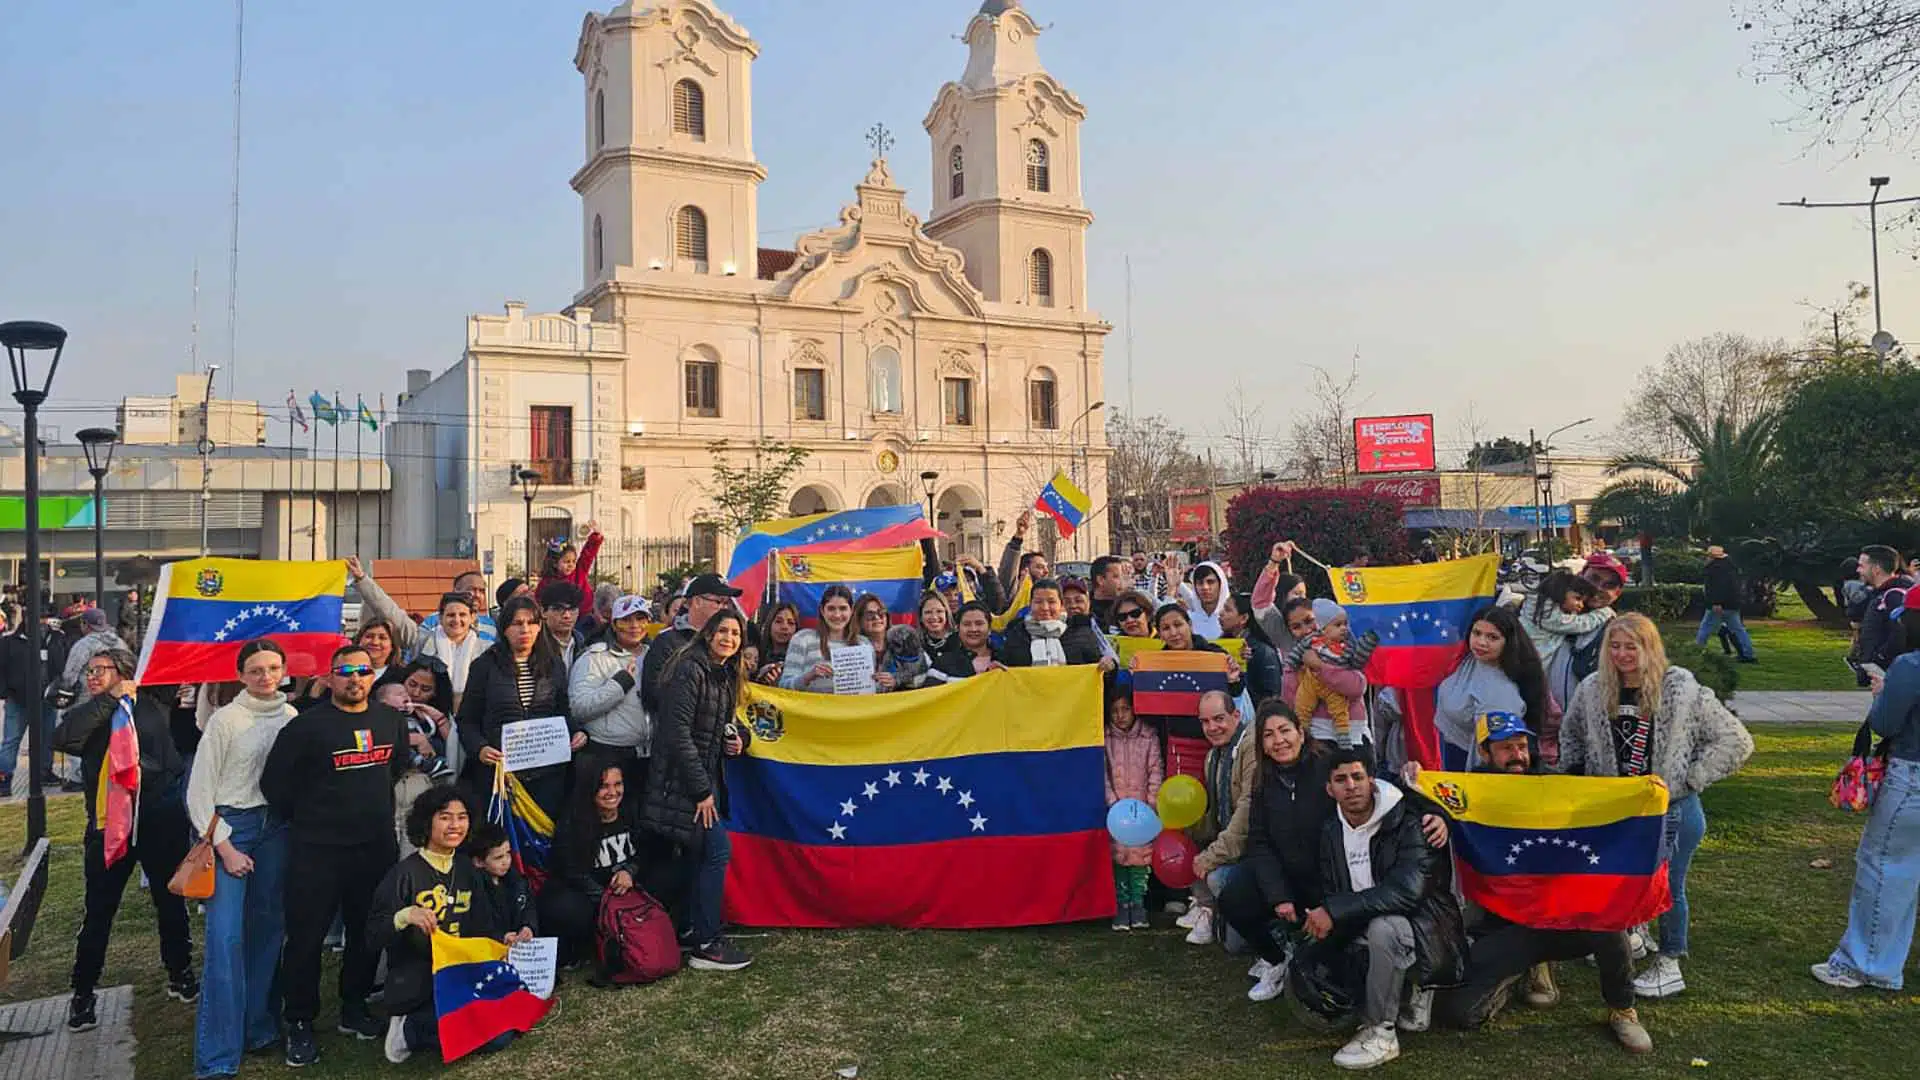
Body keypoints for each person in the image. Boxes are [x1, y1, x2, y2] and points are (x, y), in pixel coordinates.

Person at [1421, 711, 1651, 1053]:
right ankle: (1517, 974)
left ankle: (1622, 1009)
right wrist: (1428, 803)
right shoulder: (1471, 794)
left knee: (1610, 926)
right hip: (1507, 925)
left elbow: (1599, 804)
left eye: (1521, 746)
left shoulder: (1552, 786)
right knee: (1458, 1014)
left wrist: (1644, 792)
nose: (1517, 755)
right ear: (1485, 754)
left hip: (1564, 918)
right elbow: (1431, 801)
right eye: (1506, 748)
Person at [1557, 613, 1754, 1000]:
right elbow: (1571, 737)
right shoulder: (1594, 688)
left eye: (1632, 646)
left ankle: (1670, 961)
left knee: (1669, 887)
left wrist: (1689, 779)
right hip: (1617, 809)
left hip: (1671, 809)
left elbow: (1736, 742)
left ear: (1650, 647)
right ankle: (1633, 936)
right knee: (1623, 879)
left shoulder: (1680, 688)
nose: (1623, 654)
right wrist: (1575, 782)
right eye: (1615, 646)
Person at [259, 643, 412, 1066]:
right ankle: (301, 1021)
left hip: (374, 845)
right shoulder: (305, 727)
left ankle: (354, 1007)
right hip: (318, 849)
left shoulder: (389, 719)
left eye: (362, 671)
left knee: (366, 933)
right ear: (329, 677)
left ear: (372, 677)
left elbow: (395, 766)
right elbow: (276, 786)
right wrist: (312, 818)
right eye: (345, 671)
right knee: (307, 938)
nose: (354, 679)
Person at [56, 648, 196, 1035]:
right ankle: (83, 993)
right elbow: (65, 737)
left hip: (156, 821)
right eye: (89, 671)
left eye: (100, 670)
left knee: (170, 900)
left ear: (124, 671)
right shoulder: (91, 712)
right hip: (108, 827)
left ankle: (180, 971)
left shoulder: (155, 704)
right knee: (99, 911)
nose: (91, 676)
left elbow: (173, 754)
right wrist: (108, 699)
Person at [1299, 749, 1466, 1071]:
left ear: (1372, 781)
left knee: (1384, 927)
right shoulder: (1330, 831)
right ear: (1329, 789)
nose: (1351, 786)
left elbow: (1405, 894)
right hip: (1368, 922)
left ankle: (1382, 1031)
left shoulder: (1412, 822)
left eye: (1358, 777)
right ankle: (1408, 990)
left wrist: (1334, 911)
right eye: (1341, 780)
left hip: (1425, 926)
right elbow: (1335, 892)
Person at [187, 640, 298, 1077]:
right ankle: (216, 1058)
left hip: (277, 829)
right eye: (256, 670)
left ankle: (257, 1027)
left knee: (268, 931)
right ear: (241, 675)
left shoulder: (290, 717)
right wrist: (225, 846)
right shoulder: (225, 720)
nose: (265, 676)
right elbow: (199, 792)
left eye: (273, 668)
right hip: (231, 827)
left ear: (285, 670)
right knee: (225, 939)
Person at [367, 787, 527, 1064]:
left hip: (461, 973)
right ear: (427, 821)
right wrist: (405, 916)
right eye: (445, 817)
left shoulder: (467, 869)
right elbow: (372, 936)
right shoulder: (404, 874)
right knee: (490, 1034)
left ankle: (427, 1024)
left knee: (508, 1025)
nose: (455, 825)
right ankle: (408, 1028)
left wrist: (504, 939)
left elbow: (483, 927)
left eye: (462, 817)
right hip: (418, 980)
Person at [643, 607, 754, 971]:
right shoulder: (691, 668)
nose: (729, 639)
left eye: (735, 634)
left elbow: (728, 723)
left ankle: (693, 928)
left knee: (699, 856)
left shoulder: (723, 674)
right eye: (723, 631)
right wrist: (701, 791)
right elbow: (677, 733)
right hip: (685, 784)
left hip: (703, 780)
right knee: (717, 852)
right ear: (708, 634)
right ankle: (707, 944)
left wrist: (740, 739)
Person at [1814, 640, 1920, 990]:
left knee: (1885, 867)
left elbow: (1886, 722)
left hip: (1912, 775)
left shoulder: (1911, 665)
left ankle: (1866, 964)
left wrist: (1881, 693)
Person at [457, 596, 581, 822]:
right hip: (500, 777)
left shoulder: (553, 665)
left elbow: (563, 711)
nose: (525, 629)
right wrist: (480, 748)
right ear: (504, 628)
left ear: (539, 626)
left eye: (531, 622)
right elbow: (466, 720)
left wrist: (577, 732)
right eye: (517, 623)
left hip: (547, 774)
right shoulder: (484, 666)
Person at [540, 760, 643, 973]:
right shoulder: (573, 820)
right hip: (592, 894)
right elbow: (571, 871)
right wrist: (606, 900)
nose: (612, 792)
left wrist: (630, 871)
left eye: (618, 784)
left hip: (628, 887)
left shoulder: (632, 809)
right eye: (604, 786)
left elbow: (647, 852)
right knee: (562, 906)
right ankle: (581, 948)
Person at [349, 558, 488, 710]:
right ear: (440, 618)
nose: (456, 620)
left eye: (462, 615)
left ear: (472, 617)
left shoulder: (486, 649)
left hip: (472, 715)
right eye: (450, 615)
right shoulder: (422, 639)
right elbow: (390, 612)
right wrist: (362, 580)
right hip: (423, 715)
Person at [1132, 604, 1244, 780]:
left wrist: (1234, 678)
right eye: (1166, 628)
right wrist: (1140, 680)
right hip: (1179, 744)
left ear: (1189, 625)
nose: (1174, 632)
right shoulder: (1155, 666)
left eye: (1178, 624)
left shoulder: (1214, 655)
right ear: (1159, 634)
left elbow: (1235, 692)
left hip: (1217, 741)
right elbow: (1149, 714)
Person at [1180, 689, 1255, 947]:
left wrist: (1212, 856)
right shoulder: (1213, 756)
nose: (1212, 727)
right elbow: (1216, 816)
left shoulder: (1250, 746)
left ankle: (1276, 933)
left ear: (1236, 715)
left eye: (1219, 719)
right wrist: (1185, 824)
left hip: (1256, 854)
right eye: (1205, 721)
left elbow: (1246, 810)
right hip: (1232, 851)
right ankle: (1211, 909)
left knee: (1214, 876)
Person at [1434, 606, 1551, 770]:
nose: (1481, 642)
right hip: (1450, 751)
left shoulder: (1499, 696)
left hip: (1468, 765)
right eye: (1477, 633)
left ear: (1508, 643)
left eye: (1492, 637)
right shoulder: (1470, 660)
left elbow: (1494, 757)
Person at [569, 594, 654, 801]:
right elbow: (579, 707)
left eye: (640, 619)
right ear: (614, 624)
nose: (634, 626)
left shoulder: (655, 655)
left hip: (647, 756)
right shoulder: (594, 657)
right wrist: (620, 684)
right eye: (626, 620)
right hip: (607, 756)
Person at [1277, 598, 1373, 757]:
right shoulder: (1296, 660)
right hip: (1315, 740)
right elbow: (1290, 703)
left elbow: (1357, 687)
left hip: (1352, 737)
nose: (1307, 630)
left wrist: (1320, 667)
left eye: (1310, 621)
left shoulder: (1345, 648)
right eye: (1296, 627)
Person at [1104, 686, 1161, 931]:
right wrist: (1112, 803)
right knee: (1117, 857)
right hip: (1116, 810)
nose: (1120, 715)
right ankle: (1122, 903)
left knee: (1140, 857)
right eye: (1115, 710)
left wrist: (1150, 803)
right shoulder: (1104, 738)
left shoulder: (1148, 736)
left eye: (1125, 709)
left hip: (1141, 810)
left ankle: (1138, 903)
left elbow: (1155, 770)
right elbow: (1102, 774)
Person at [1546, 552, 1630, 715]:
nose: (1598, 588)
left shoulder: (1618, 632)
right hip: (1540, 725)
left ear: (1617, 594)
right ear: (1580, 576)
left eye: (1609, 585)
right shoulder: (1547, 616)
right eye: (1594, 579)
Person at [644, 575, 743, 710]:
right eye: (719, 602)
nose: (724, 609)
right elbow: (652, 694)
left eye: (727, 603)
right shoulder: (667, 642)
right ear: (697, 601)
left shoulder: (728, 644)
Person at [1520, 570, 1612, 687]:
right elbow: (1580, 624)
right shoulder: (1547, 614)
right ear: (1560, 592)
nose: (1581, 605)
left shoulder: (1538, 606)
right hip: (1530, 670)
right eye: (1577, 598)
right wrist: (1603, 613)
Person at [1000, 578, 1108, 668]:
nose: (1045, 608)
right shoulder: (1016, 634)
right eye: (1038, 602)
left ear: (1061, 605)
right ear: (1030, 604)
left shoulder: (1081, 633)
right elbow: (1005, 668)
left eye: (1051, 602)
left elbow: (1101, 675)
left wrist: (1109, 667)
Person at [464, 819, 538, 949]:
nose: (506, 861)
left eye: (508, 854)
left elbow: (528, 907)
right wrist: (500, 937)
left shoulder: (517, 881)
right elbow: (476, 924)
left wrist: (528, 927)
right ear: (478, 862)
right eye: (498, 858)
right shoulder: (474, 887)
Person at [781, 584, 862, 694]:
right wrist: (808, 677)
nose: (837, 615)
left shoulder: (864, 644)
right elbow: (783, 686)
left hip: (851, 710)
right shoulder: (802, 639)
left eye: (843, 608)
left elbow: (870, 691)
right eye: (831, 608)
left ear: (851, 611)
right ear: (822, 611)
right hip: (809, 710)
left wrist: (887, 682)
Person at [1854, 545, 1914, 686]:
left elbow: (1901, 632)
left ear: (1876, 569)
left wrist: (1878, 660)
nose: (1858, 570)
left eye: (1861, 566)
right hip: (1883, 673)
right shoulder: (1879, 594)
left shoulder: (1894, 595)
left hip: (1890, 674)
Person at [1693, 546, 1757, 664]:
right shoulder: (1732, 567)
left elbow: (1716, 588)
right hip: (1733, 604)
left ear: (1711, 557)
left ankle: (1697, 651)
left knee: (1705, 628)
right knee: (1739, 630)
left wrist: (1716, 602)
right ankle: (1748, 654)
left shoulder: (1714, 569)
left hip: (1718, 605)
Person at [1219, 592, 1283, 705]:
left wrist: (1244, 670)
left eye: (1227, 610)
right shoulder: (1220, 646)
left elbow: (1271, 696)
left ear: (1243, 618)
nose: (1221, 613)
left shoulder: (1263, 652)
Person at [536, 521, 605, 618]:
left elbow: (588, 554)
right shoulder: (547, 582)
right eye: (566, 562)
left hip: (585, 616)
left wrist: (595, 536)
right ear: (555, 563)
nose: (571, 565)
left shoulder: (579, 571)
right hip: (562, 619)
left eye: (573, 561)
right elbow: (539, 600)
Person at [1253, 542, 1312, 651]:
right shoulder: (1280, 629)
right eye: (1296, 593)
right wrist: (1274, 562)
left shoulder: (1320, 618)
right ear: (1282, 594)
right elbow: (1260, 602)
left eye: (1309, 621)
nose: (1301, 598)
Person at [932, 602, 1003, 681]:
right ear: (958, 629)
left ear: (989, 628)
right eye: (967, 624)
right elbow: (929, 693)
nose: (973, 629)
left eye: (979, 623)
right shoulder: (942, 664)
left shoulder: (1007, 659)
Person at [537, 579, 588, 670]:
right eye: (558, 609)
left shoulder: (584, 644)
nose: (567, 616)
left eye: (572, 609)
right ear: (543, 612)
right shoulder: (534, 645)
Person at [916, 591, 968, 678]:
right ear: (921, 617)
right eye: (928, 612)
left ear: (946, 613)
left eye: (939, 611)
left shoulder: (962, 639)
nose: (934, 617)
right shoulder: (916, 645)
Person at [1178, 561, 1232, 640]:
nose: (1205, 587)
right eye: (1200, 583)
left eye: (1210, 582)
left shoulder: (1233, 619)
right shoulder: (1187, 620)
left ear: (1221, 584)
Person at [755, 600, 800, 685]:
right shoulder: (756, 657)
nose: (784, 627)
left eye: (790, 623)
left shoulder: (801, 662)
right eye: (778, 621)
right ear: (769, 624)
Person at [1091, 555, 1129, 630]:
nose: (1121, 581)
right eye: (1116, 576)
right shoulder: (1085, 609)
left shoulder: (1128, 607)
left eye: (1122, 576)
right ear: (1100, 580)